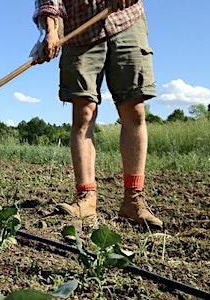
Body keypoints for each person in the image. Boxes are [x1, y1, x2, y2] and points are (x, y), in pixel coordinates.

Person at [32, 0, 163, 229]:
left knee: (134, 107)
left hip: (125, 19)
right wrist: (51, 31)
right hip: (79, 29)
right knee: (83, 112)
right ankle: (86, 200)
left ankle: (133, 200)